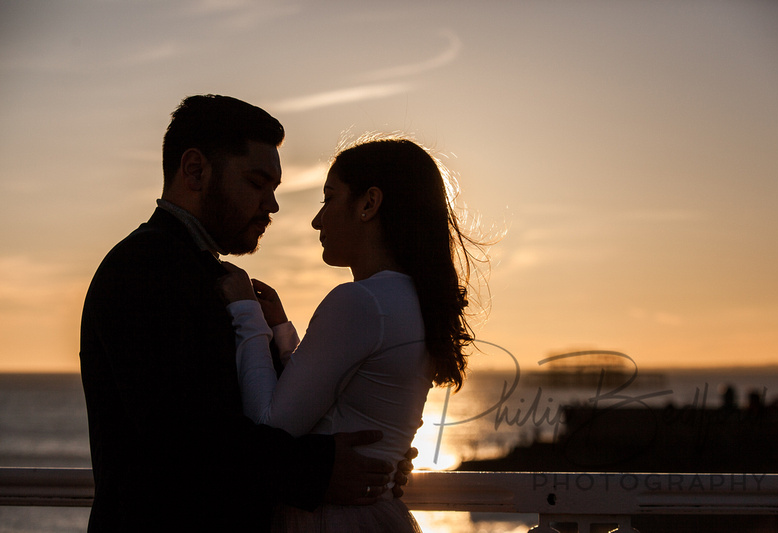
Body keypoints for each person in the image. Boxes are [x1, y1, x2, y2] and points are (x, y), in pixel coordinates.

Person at [79, 95, 403, 532]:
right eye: (256, 183)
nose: (272, 205)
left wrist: (373, 459)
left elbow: (271, 413)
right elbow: (179, 436)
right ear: (195, 170)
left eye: (274, 188)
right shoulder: (142, 269)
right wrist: (321, 469)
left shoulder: (206, 274)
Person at [219, 137, 481, 531]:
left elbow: (271, 426)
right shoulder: (416, 301)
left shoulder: (359, 301)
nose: (317, 220)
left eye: (329, 198)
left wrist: (246, 315)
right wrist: (282, 331)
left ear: (368, 204)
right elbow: (335, 397)